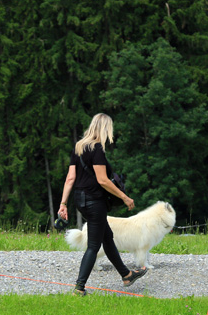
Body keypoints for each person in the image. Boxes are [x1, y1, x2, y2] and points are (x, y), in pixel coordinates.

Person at [57, 113, 147, 296]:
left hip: (80, 200)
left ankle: (126, 274)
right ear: (105, 128)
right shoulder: (96, 148)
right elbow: (103, 180)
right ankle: (79, 288)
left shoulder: (79, 147)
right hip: (94, 201)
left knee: (107, 237)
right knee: (93, 246)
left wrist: (63, 203)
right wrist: (125, 197)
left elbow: (70, 178)